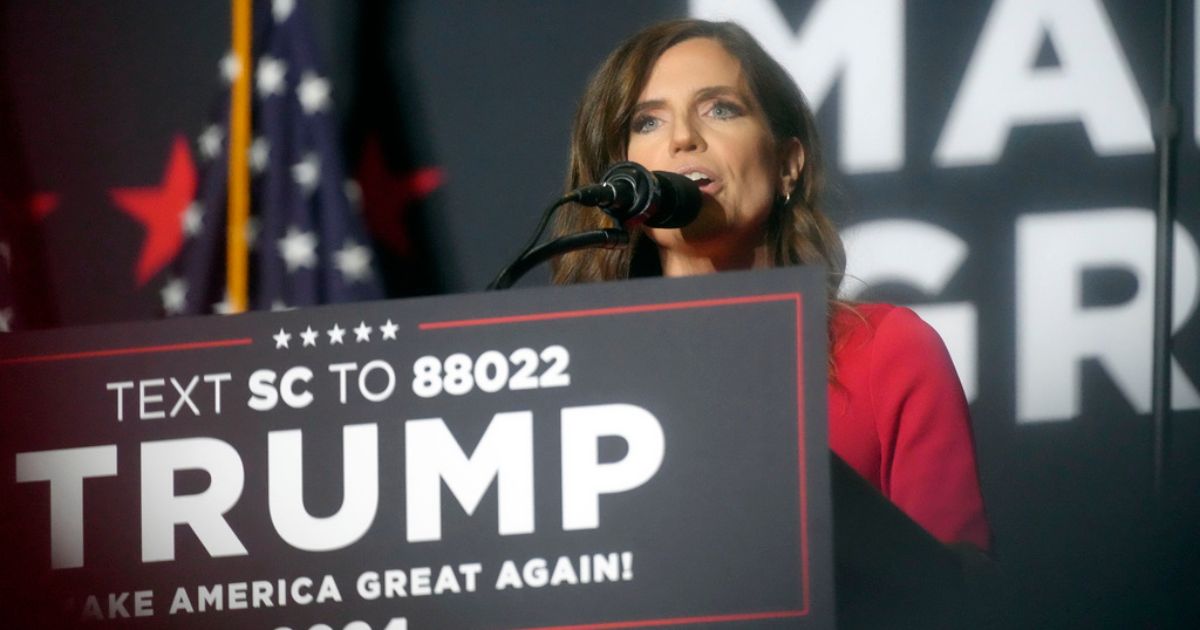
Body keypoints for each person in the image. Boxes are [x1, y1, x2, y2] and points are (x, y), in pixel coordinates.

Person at [551, 19, 990, 552]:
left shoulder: (887, 352)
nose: (683, 137)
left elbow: (951, 585)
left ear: (788, 165)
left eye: (720, 109)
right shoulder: (571, 380)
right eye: (646, 122)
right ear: (619, 185)